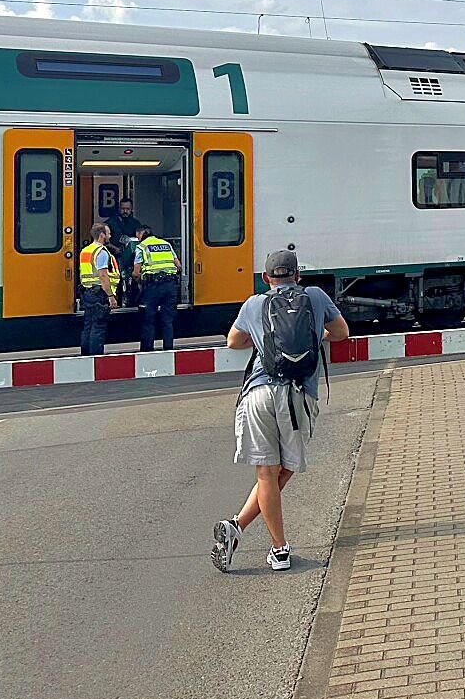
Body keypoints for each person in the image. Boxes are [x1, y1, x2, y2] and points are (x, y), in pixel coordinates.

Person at [212, 250, 349, 573]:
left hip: (258, 392)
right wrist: (317, 336)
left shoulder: (254, 304)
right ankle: (274, 546)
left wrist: (260, 341)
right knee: (282, 471)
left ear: (266, 278)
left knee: (267, 473)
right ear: (298, 275)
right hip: (298, 394)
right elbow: (342, 333)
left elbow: (234, 342)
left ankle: (245, 532)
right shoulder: (315, 296)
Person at [133, 224, 183, 352]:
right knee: (167, 319)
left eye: (137, 235)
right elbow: (178, 265)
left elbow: (136, 272)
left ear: (141, 234)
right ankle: (168, 348)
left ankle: (147, 349)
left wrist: (138, 283)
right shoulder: (166, 244)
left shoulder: (141, 247)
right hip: (170, 285)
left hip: (153, 286)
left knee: (148, 318)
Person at [78, 223, 118, 355]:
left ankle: (85, 355)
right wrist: (111, 296)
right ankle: (96, 358)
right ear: (102, 235)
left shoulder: (86, 251)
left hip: (87, 292)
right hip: (99, 293)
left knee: (88, 326)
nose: (110, 236)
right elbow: (103, 275)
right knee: (98, 327)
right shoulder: (101, 252)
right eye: (108, 233)